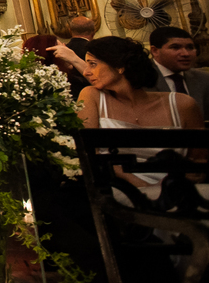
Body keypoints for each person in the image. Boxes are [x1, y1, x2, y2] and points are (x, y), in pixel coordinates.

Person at [76, 36, 203, 186]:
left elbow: (199, 162)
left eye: (92, 64)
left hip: (178, 190)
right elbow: (89, 156)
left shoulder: (182, 104)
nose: (86, 72)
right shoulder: (92, 96)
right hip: (119, 189)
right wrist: (142, 187)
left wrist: (174, 185)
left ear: (119, 66)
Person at [149, 26, 209, 117]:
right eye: (175, 47)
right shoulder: (138, 79)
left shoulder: (203, 79)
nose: (186, 54)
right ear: (155, 51)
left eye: (190, 47)